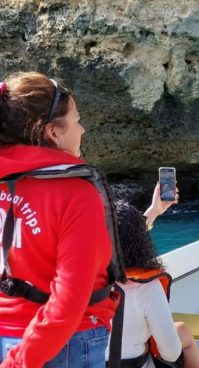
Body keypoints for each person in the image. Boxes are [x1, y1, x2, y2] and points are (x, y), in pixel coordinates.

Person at [0, 72, 121, 367]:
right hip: (63, 345)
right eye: (77, 120)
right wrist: (20, 361)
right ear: (53, 132)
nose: (82, 129)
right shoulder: (76, 194)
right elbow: (68, 302)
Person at [112, 190, 199, 368]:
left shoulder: (79, 282)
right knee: (182, 331)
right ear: (141, 241)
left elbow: (115, 235)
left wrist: (154, 211)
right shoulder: (146, 287)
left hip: (88, 362)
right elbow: (170, 354)